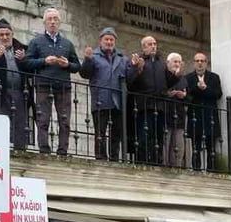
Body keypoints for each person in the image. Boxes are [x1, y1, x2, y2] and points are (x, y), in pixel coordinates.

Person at [21, 8, 79, 155]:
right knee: (43, 119)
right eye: (49, 19)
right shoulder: (36, 42)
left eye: (55, 19)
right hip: (43, 85)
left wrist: (68, 65)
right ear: (45, 22)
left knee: (64, 121)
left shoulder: (68, 44)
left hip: (63, 86)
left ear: (59, 22)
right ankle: (44, 150)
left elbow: (77, 66)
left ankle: (63, 151)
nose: (52, 22)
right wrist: (44, 61)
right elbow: (27, 63)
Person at [78, 28, 130, 161]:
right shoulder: (94, 56)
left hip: (118, 101)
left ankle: (114, 158)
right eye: (106, 39)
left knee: (116, 133)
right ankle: (100, 158)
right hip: (100, 100)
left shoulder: (122, 58)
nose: (109, 42)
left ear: (115, 42)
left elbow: (130, 78)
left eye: (111, 40)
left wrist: (136, 67)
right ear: (100, 41)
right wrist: (87, 60)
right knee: (100, 132)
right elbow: (84, 74)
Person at [127, 36, 179, 164]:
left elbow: (168, 82)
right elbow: (129, 82)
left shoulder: (161, 62)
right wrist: (136, 68)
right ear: (144, 47)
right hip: (144, 106)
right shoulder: (138, 61)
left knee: (159, 138)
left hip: (160, 107)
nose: (154, 46)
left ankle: (157, 162)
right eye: (150, 44)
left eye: (155, 43)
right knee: (144, 137)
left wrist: (176, 75)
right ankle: (142, 163)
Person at [0, 18, 30, 149]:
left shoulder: (22, 49)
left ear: (12, 34)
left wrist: (24, 60)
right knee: (1, 124)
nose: (5, 37)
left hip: (20, 92)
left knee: (20, 124)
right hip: (0, 93)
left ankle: (21, 152)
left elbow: (30, 68)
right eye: (1, 35)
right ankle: (1, 151)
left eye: (7, 34)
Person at [184, 52, 222, 170]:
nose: (200, 63)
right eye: (197, 61)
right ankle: (196, 170)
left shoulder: (214, 77)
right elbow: (187, 95)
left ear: (206, 63)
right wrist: (197, 88)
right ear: (194, 63)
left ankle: (212, 170)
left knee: (211, 147)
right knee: (196, 146)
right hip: (195, 115)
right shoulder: (188, 78)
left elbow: (218, 94)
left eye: (202, 61)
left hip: (210, 116)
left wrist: (205, 88)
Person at [163, 53, 189, 168]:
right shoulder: (163, 75)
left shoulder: (183, 78)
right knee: (166, 143)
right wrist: (168, 94)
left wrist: (184, 96)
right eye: (175, 62)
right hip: (165, 114)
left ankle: (177, 166)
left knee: (178, 144)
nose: (177, 64)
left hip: (179, 116)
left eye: (179, 62)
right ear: (168, 63)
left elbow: (189, 97)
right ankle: (165, 165)